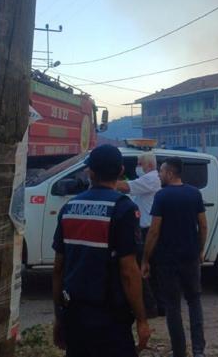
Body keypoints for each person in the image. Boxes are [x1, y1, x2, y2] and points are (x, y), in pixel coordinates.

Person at [52, 144, 151, 357]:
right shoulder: (123, 208)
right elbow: (128, 271)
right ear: (121, 171)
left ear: (91, 172)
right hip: (111, 320)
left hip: (75, 314)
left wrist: (59, 317)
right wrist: (142, 320)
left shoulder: (69, 208)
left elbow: (58, 269)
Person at [141, 157, 207, 357]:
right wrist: (200, 251)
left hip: (167, 261)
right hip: (190, 258)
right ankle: (198, 351)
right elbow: (203, 226)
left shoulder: (162, 196)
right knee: (194, 302)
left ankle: (179, 351)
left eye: (161, 172)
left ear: (170, 173)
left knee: (173, 307)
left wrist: (145, 259)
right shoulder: (194, 194)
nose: (159, 175)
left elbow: (154, 231)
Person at [116, 152, 162, 316]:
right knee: (149, 269)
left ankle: (152, 307)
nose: (137, 167)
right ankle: (155, 305)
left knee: (144, 268)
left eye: (139, 164)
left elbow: (125, 187)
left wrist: (104, 181)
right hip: (144, 229)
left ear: (148, 166)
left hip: (147, 230)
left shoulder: (150, 179)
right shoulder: (146, 180)